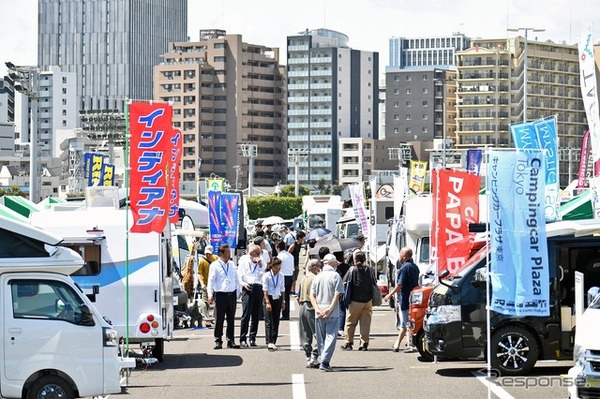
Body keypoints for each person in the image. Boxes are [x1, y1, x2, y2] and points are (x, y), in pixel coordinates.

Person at [310, 254, 344, 372]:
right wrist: (330, 309)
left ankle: (322, 358)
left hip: (319, 311)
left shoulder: (317, 277)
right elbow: (337, 294)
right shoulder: (336, 276)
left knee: (321, 337)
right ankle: (325, 361)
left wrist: (317, 309)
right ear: (333, 263)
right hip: (332, 311)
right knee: (331, 336)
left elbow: (312, 296)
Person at [384, 247, 420, 352]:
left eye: (400, 254)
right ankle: (408, 343)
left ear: (404, 256)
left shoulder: (404, 268)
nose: (399, 256)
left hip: (405, 298)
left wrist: (389, 294)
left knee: (404, 323)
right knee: (410, 322)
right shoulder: (415, 267)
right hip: (413, 297)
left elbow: (400, 284)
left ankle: (398, 345)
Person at [207, 244, 241, 350]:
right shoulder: (215, 265)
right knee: (219, 319)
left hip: (231, 294)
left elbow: (236, 279)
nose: (229, 254)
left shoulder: (231, 264)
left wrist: (238, 291)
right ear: (221, 253)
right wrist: (210, 294)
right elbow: (211, 281)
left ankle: (231, 340)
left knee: (231, 319)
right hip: (221, 294)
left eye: (229, 252)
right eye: (227, 252)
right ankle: (218, 340)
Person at [340, 250, 374, 351]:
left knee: (351, 322)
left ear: (355, 260)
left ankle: (348, 343)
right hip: (367, 301)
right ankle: (364, 344)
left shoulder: (352, 270)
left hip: (355, 301)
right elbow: (374, 283)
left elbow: (344, 282)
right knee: (365, 323)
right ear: (364, 260)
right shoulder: (369, 270)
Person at [237, 243, 265, 347]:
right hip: (248, 287)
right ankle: (242, 338)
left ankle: (252, 338)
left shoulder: (261, 262)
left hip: (258, 287)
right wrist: (243, 284)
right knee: (246, 314)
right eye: (257, 253)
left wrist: (260, 265)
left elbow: (264, 274)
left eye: (259, 253)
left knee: (256, 315)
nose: (258, 255)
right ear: (251, 253)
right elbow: (239, 276)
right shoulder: (244, 261)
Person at [297, 258, 321, 368]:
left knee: (305, 333)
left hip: (302, 305)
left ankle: (308, 355)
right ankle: (314, 356)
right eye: (319, 266)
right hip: (311, 305)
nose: (320, 268)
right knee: (318, 332)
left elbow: (298, 296)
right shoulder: (316, 279)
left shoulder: (303, 279)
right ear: (315, 268)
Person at [262, 257, 285, 351]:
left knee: (276, 320)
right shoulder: (266, 276)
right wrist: (267, 302)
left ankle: (274, 341)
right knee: (269, 321)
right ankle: (269, 341)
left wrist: (283, 301)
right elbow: (265, 290)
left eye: (280, 265)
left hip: (278, 298)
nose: (279, 267)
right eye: (277, 265)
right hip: (269, 298)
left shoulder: (281, 275)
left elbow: (282, 289)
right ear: (272, 266)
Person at [197, 244, 218, 326]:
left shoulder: (216, 259)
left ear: (212, 253)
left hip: (215, 285)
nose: (208, 255)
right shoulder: (202, 261)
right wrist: (202, 284)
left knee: (217, 302)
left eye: (209, 253)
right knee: (205, 303)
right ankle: (207, 319)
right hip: (206, 284)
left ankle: (214, 317)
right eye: (206, 253)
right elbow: (199, 274)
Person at [276, 239, 295, 320]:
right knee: (287, 296)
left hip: (282, 277)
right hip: (290, 276)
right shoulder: (290, 255)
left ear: (277, 247)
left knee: (279, 295)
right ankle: (286, 314)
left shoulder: (279, 256)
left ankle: (279, 312)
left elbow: (277, 267)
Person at [288, 230, 306, 295]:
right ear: (299, 238)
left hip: (296, 263)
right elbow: (288, 253)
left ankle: (293, 290)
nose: (303, 239)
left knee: (295, 278)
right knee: (292, 278)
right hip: (292, 264)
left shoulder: (300, 244)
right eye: (303, 238)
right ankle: (291, 291)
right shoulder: (293, 245)